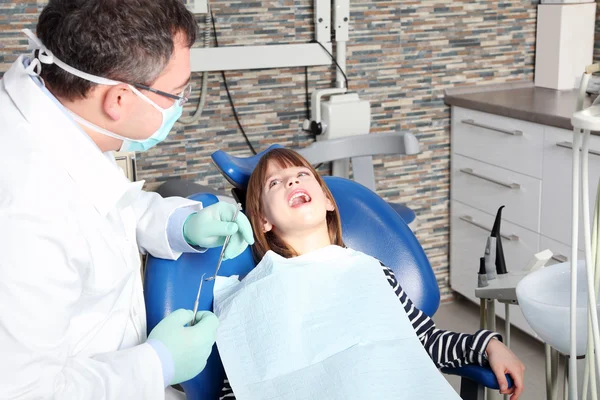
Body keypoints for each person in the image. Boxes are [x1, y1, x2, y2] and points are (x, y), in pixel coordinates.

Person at [0, 0, 254, 398]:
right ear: (118, 100)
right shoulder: (24, 215)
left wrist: (177, 225)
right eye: (176, 94)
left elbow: (99, 206)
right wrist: (158, 364)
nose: (180, 106)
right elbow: (24, 391)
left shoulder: (53, 106)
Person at [218, 148, 525, 400]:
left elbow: (425, 341)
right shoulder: (254, 296)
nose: (291, 182)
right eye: (275, 182)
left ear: (327, 200)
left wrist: (486, 345)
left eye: (302, 175)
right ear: (262, 220)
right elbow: (244, 382)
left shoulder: (371, 274)